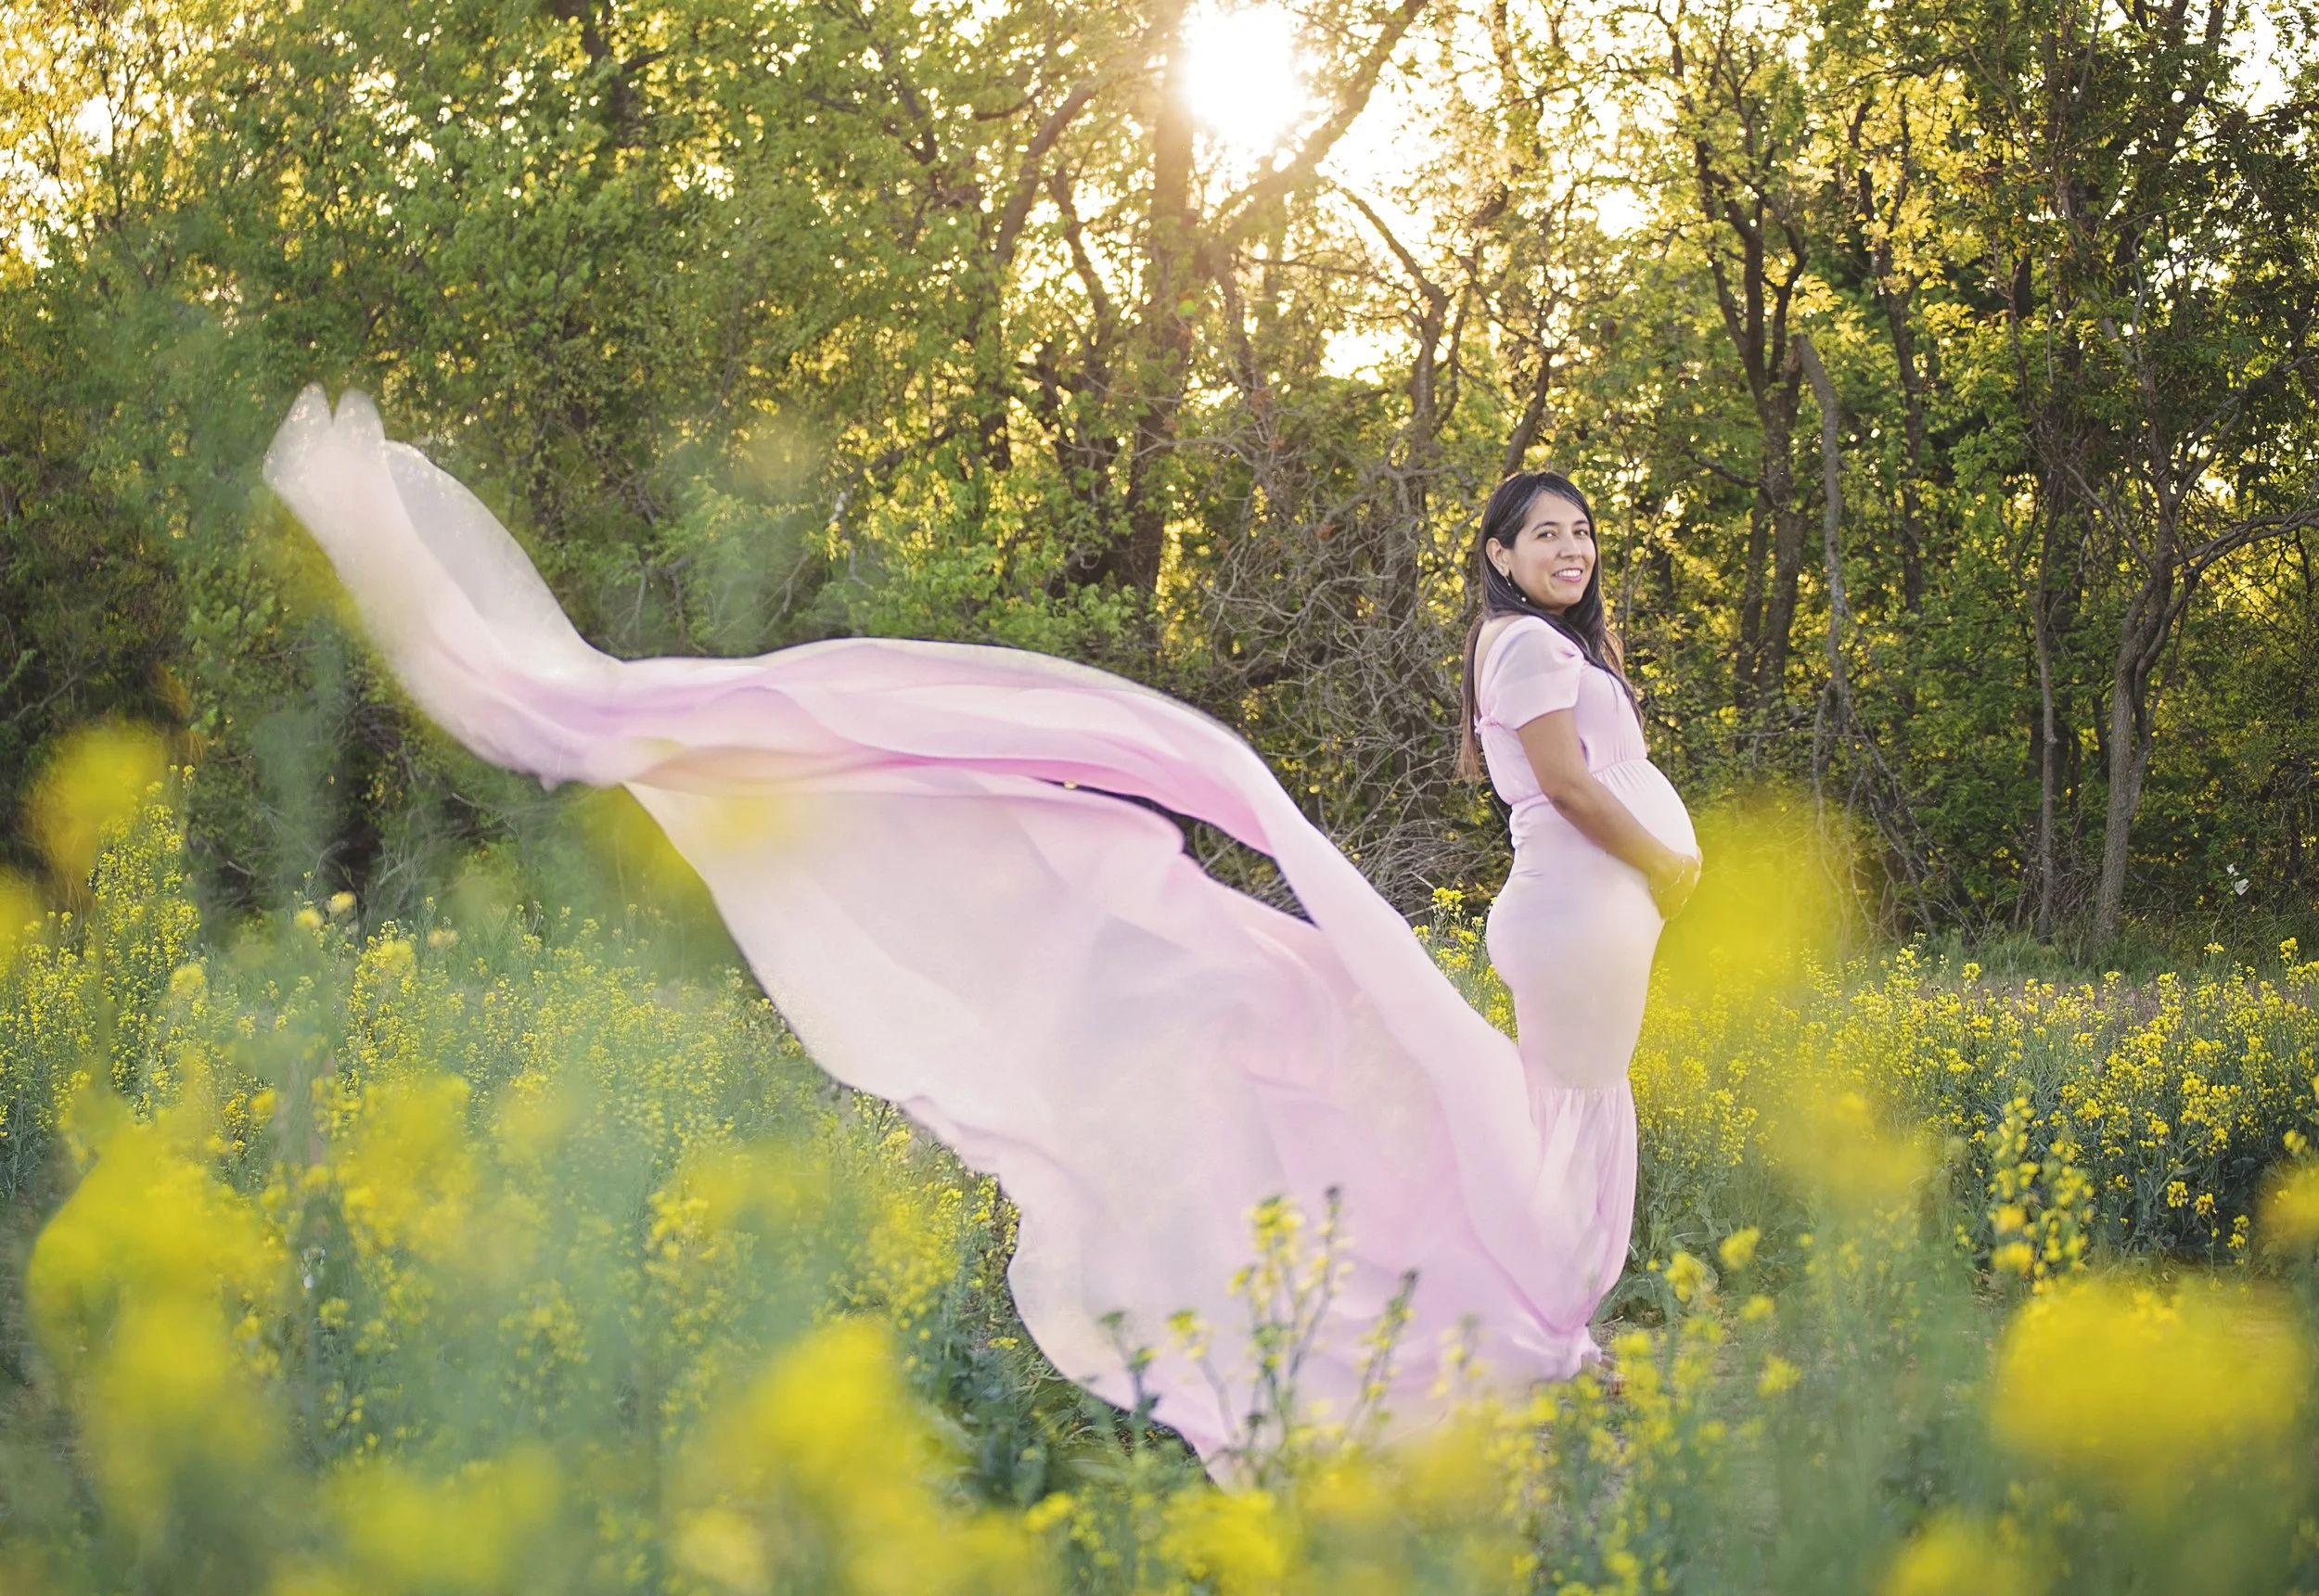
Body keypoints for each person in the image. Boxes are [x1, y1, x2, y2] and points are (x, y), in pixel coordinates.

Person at [262, 388, 1697, 1474]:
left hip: (1576, 933)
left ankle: (1530, 1346)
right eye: (1544, 532)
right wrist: (1673, 864)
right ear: (1500, 556)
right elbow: (1568, 783)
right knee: (1493, 1108)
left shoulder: (1552, 645)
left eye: (1581, 531)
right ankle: (1527, 1349)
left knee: (1494, 1106)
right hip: (1575, 923)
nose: (1570, 548)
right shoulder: (1520, 645)